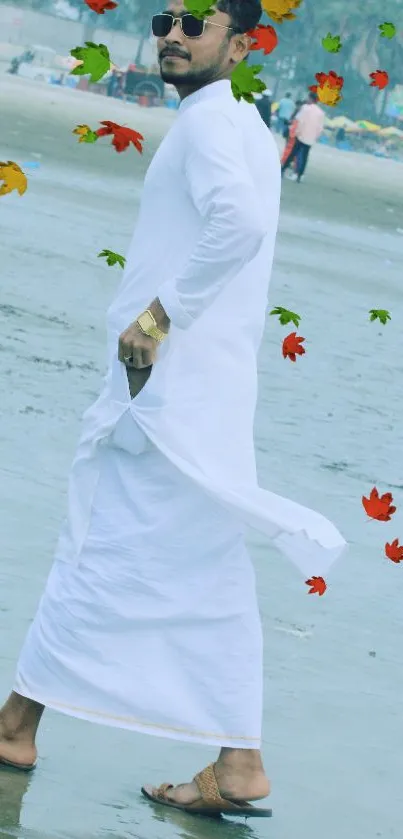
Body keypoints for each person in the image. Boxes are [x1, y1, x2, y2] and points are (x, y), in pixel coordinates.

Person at [0, 0, 346, 820]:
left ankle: (17, 727)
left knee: (96, 543)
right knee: (195, 561)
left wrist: (160, 315)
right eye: (164, 23)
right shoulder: (239, 124)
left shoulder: (211, 125)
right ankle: (237, 760)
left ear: (241, 44)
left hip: (163, 390)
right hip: (203, 392)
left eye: (196, 26)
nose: (174, 38)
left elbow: (242, 224)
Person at [281, 91, 325, 182]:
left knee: (293, 153)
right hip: (310, 138)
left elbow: (299, 121)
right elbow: (320, 128)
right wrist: (315, 137)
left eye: (308, 98)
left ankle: (283, 169)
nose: (307, 99)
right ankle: (300, 176)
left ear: (311, 99)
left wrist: (297, 132)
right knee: (305, 157)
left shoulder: (305, 108)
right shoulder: (321, 113)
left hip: (301, 135)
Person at [280, 98, 304, 171]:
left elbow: (295, 123)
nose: (297, 107)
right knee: (289, 149)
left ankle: (287, 162)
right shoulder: (296, 112)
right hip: (292, 133)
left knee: (291, 150)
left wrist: (289, 122)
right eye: (297, 105)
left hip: (294, 134)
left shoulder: (300, 113)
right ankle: (286, 162)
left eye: (298, 105)